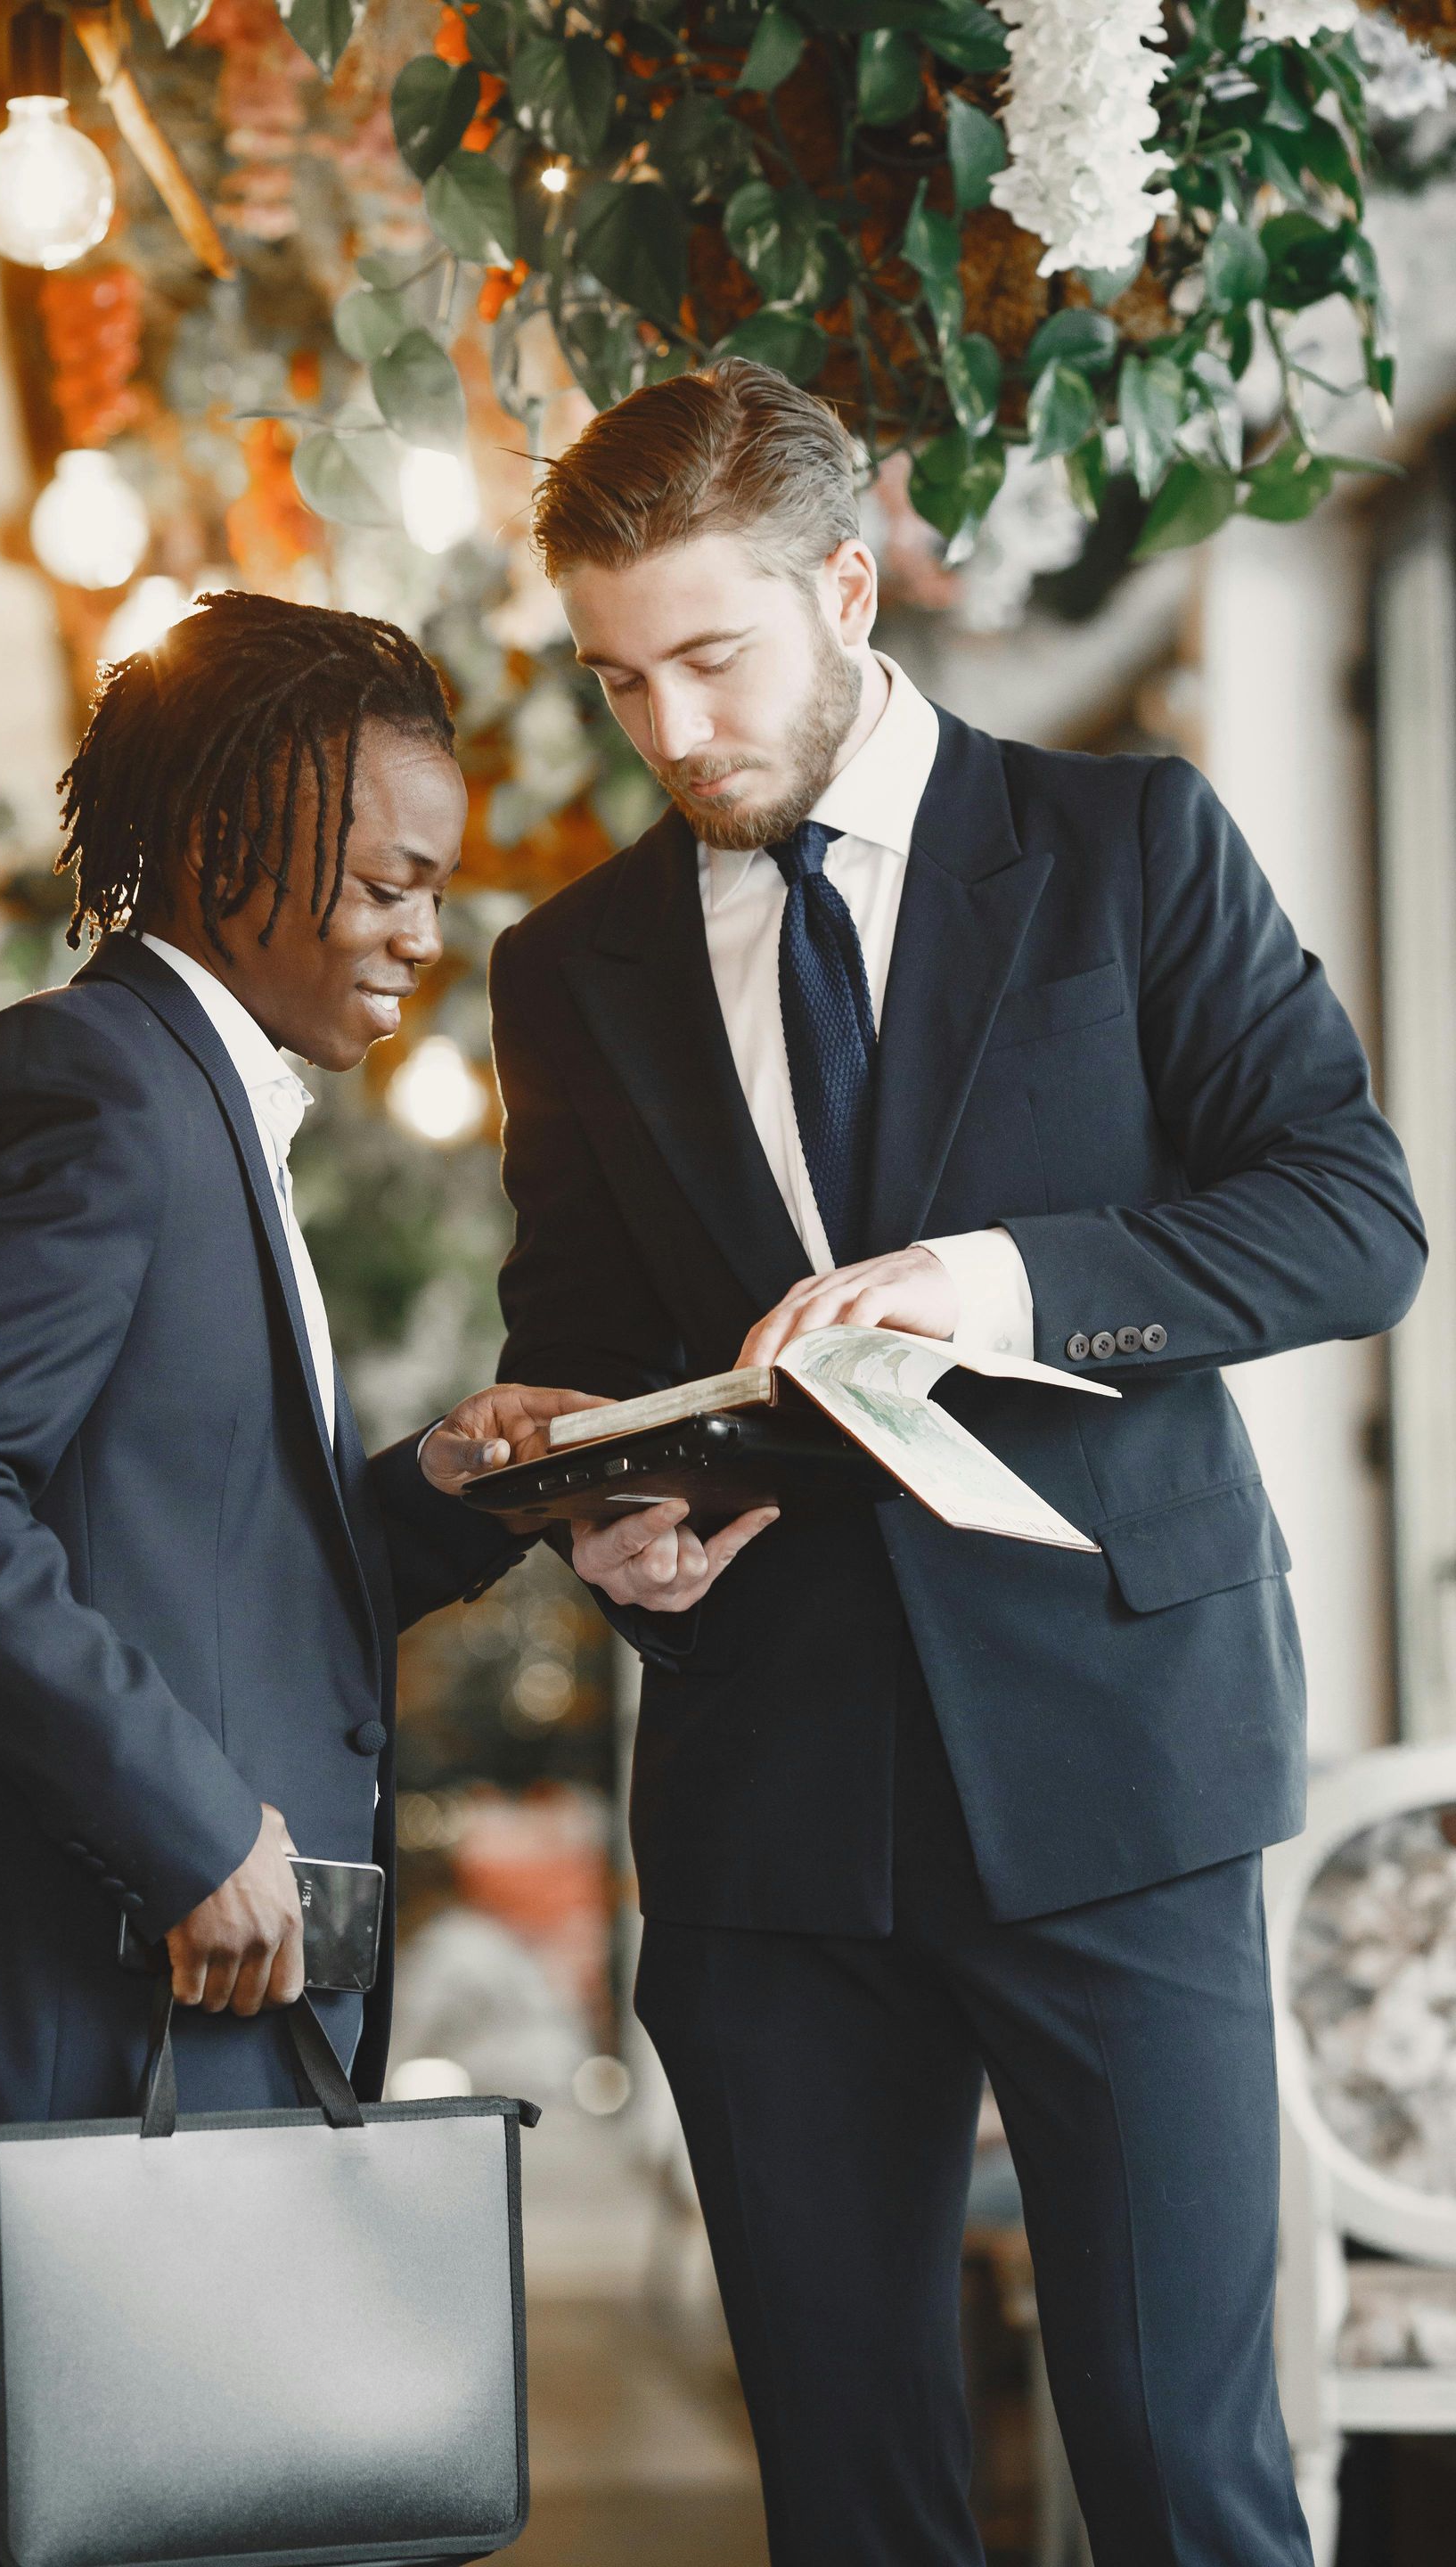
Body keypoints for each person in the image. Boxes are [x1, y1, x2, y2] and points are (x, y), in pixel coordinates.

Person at [488, 359, 1427, 2565]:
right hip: (771, 1811)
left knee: (1183, 2475)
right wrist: (609, 1519)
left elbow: (1353, 1219)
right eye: (621, 682)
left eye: (712, 657)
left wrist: (1010, 1285)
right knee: (850, 2497)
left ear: (846, 582)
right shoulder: (569, 966)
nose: (675, 731)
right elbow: (583, 1342)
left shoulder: (1132, 846)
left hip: (1119, 1772)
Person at [0, 592, 595, 2145]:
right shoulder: (90, 1086)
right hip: (85, 2018)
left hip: (185, 2008)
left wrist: (438, 1494)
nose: (424, 940)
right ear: (236, 855)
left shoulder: (192, 1106)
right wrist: (186, 1824)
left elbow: (189, 1549)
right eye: (389, 885)